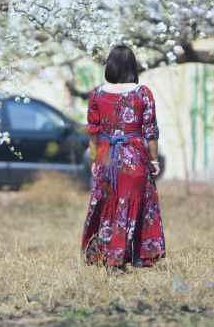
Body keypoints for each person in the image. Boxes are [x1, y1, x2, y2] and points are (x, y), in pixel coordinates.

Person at [81, 44, 166, 269]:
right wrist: (154, 160)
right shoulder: (142, 93)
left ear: (109, 65)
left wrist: (94, 161)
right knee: (136, 204)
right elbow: (150, 131)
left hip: (106, 158)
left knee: (106, 204)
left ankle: (105, 257)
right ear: (132, 67)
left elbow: (93, 131)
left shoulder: (97, 94)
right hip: (134, 158)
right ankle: (133, 257)